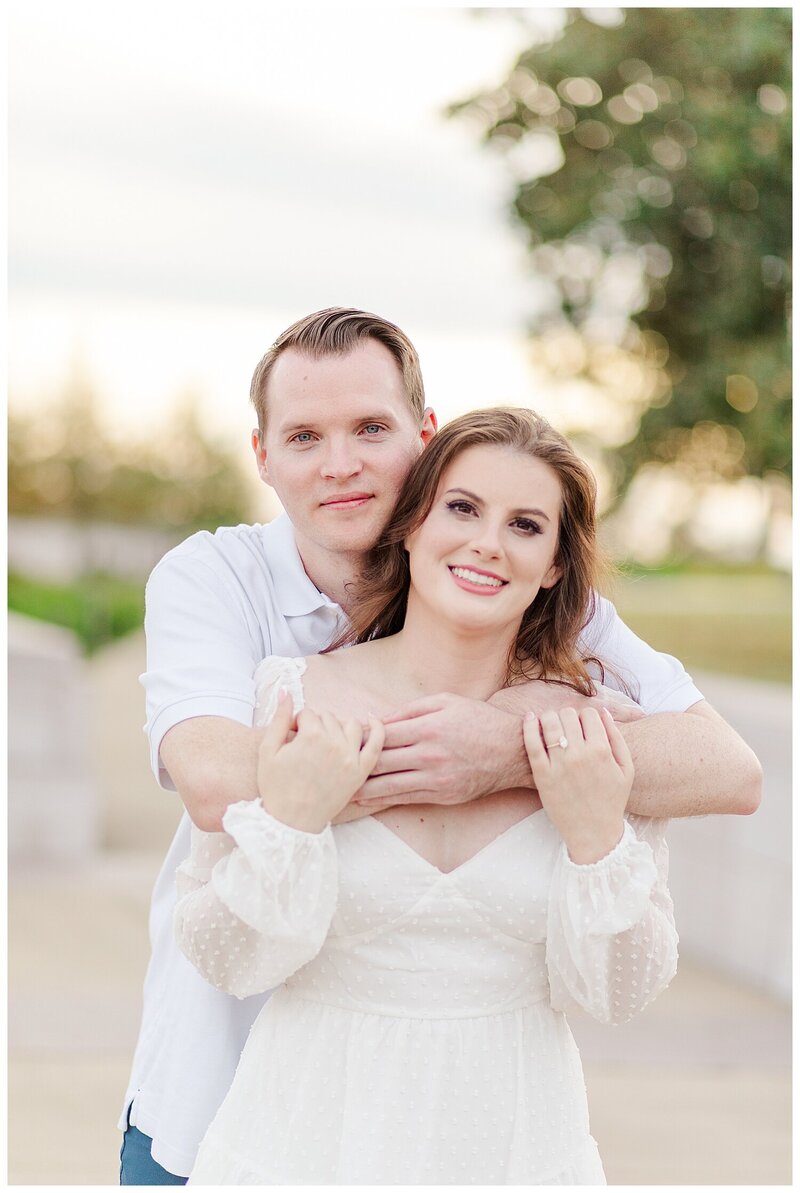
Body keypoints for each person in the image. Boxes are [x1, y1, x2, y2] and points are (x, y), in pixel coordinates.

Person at [118, 308, 761, 1184]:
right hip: (222, 1098)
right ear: (262, 455)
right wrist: (424, 763)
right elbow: (211, 780)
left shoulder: (554, 621)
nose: (340, 462)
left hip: (502, 1144)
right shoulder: (214, 582)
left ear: (421, 441)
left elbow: (729, 769)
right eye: (305, 434)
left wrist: (512, 750)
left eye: (371, 429)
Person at [177, 407, 678, 1184]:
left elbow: (618, 992)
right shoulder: (291, 697)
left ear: (553, 566)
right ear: (411, 525)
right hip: (302, 1142)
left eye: (525, 524)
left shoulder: (593, 735)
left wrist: (594, 838)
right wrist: (292, 815)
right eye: (463, 508)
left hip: (515, 1149)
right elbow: (227, 960)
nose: (487, 542)